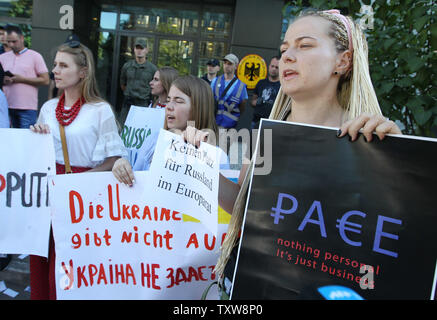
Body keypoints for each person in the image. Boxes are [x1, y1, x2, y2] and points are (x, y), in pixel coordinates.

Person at [185, 9, 402, 299]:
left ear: (343, 60)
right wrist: (198, 163)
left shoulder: (369, 138)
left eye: (305, 45)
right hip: (249, 286)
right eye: (285, 48)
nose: (287, 56)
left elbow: (391, 235)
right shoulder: (268, 135)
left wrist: (397, 159)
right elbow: (244, 203)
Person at [29, 41, 127, 300]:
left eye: (63, 65)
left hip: (81, 197)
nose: (55, 71)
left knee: (69, 266)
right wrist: (36, 138)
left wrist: (79, 182)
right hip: (47, 194)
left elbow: (114, 158)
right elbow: (37, 156)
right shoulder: (48, 109)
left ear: (83, 72)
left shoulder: (100, 110)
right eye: (54, 65)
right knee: (42, 258)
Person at [112, 75, 222, 186]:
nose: (168, 106)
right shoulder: (154, 139)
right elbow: (135, 180)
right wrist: (122, 165)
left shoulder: (216, 156)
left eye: (178, 101)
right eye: (168, 100)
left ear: (199, 107)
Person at [0, 25, 49, 128]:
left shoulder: (35, 56)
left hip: (27, 107)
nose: (11, 44)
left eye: (14, 41)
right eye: (8, 42)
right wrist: (3, 80)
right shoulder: (2, 57)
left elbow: (45, 80)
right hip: (5, 106)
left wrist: (22, 79)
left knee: (25, 139)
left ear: (22, 38)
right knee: (6, 139)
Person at [119, 38, 157, 125]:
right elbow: (123, 84)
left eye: (142, 48)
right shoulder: (127, 66)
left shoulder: (152, 69)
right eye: (137, 48)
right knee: (123, 128)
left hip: (143, 104)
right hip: (128, 104)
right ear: (134, 49)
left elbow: (155, 89)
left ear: (146, 50)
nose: (139, 51)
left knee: (140, 129)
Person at [211, 53, 248, 129]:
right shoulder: (215, 81)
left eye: (230, 64)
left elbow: (243, 105)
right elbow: (209, 99)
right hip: (214, 123)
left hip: (229, 126)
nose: (226, 66)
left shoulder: (241, 85)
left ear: (236, 66)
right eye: (225, 63)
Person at [250, 55, 280, 129]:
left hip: (271, 124)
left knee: (267, 141)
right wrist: (257, 101)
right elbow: (253, 101)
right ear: (269, 66)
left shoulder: (282, 86)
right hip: (256, 121)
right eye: (272, 66)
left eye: (277, 67)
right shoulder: (261, 83)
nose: (273, 69)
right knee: (253, 141)